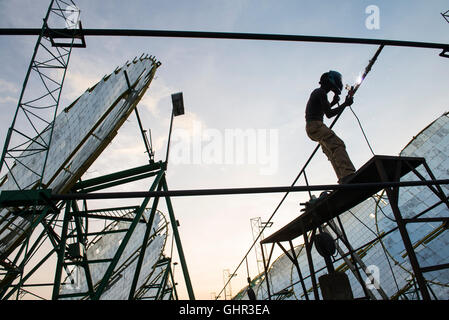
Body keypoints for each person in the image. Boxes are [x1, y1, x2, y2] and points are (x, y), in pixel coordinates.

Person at [305, 70, 356, 184]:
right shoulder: (321, 93)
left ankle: (342, 178)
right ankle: (347, 174)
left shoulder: (319, 92)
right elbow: (329, 114)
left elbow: (322, 110)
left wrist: (333, 103)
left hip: (312, 127)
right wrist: (345, 104)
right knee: (337, 145)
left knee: (331, 151)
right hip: (316, 125)